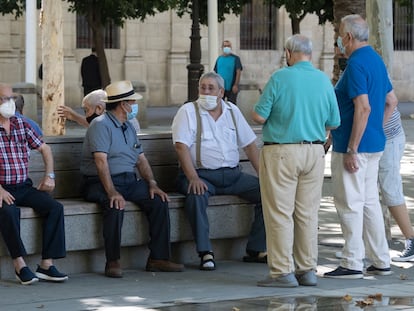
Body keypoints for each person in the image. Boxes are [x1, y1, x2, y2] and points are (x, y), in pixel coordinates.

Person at [252, 34, 340, 288]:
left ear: (289, 53)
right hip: (314, 152)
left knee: (279, 213)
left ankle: (282, 272)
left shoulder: (280, 77)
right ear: (310, 54)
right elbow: (334, 122)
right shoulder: (323, 80)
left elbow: (258, 116)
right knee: (307, 214)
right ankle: (307, 270)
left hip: (281, 151)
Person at [80, 80, 184, 278]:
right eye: (132, 102)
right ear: (123, 105)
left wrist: (152, 183)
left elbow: (141, 160)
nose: (135, 106)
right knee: (115, 204)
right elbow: (101, 162)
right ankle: (113, 261)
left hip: (128, 180)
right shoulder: (100, 124)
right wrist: (111, 191)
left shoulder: (128, 127)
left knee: (159, 201)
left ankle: (158, 258)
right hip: (99, 182)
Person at [324, 14, 398, 279]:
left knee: (349, 204)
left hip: (353, 147)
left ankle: (352, 262)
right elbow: (391, 100)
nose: (339, 40)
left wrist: (354, 146)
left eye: (340, 35)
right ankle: (380, 259)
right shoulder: (375, 60)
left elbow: (363, 106)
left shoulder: (355, 64)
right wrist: (375, 129)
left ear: (348, 37)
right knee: (368, 203)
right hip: (374, 144)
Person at [172, 71, 266, 271]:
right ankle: (205, 252)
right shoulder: (188, 111)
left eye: (210, 88)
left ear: (221, 92)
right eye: (202, 87)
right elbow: (181, 147)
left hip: (232, 175)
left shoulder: (232, 110)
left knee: (267, 192)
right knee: (196, 195)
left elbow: (249, 145)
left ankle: (257, 249)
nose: (205, 91)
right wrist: (193, 177)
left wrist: (263, 176)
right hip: (202, 175)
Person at [0, 83, 68, 285]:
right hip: (2, 189)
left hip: (23, 186)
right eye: (5, 99)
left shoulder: (21, 124)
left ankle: (46, 264)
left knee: (54, 208)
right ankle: (19, 265)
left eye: (11, 98)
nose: (10, 103)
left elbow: (45, 149)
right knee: (9, 211)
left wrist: (50, 175)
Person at [381, 107, 414, 262]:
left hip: (388, 139)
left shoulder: (376, 80)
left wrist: (376, 129)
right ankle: (366, 246)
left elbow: (391, 100)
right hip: (382, 139)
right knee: (371, 193)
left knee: (391, 191)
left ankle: (411, 240)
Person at [57, 91, 141, 132]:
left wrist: (74, 116)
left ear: (99, 108)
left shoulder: (125, 121)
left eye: (86, 110)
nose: (86, 115)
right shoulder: (107, 121)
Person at [213, 40, 243, 104]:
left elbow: (238, 71)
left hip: (231, 87)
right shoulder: (219, 59)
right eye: (225, 46)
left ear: (231, 47)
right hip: (220, 87)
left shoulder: (235, 58)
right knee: (219, 104)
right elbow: (215, 72)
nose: (226, 47)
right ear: (222, 47)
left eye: (228, 46)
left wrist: (236, 85)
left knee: (232, 105)